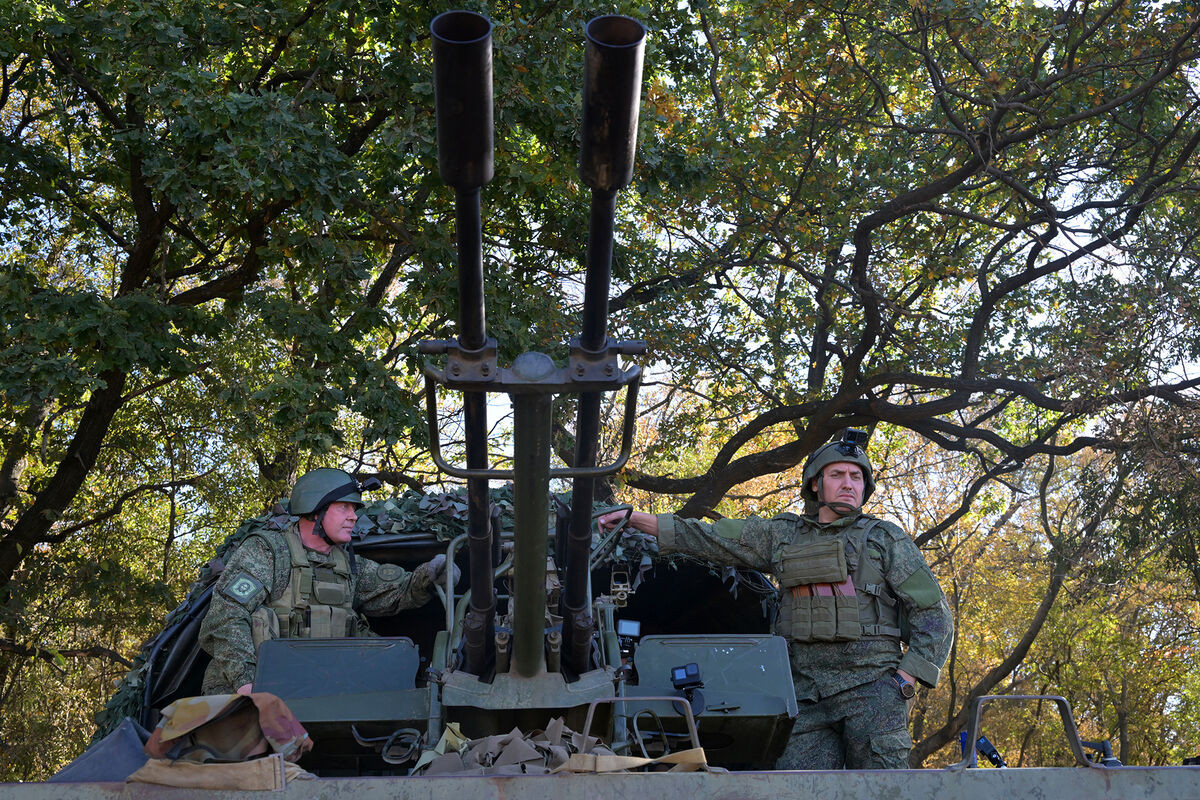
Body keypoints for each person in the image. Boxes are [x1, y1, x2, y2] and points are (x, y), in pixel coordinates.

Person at [598, 430, 953, 770]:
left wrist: (905, 680)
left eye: (857, 478)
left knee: (884, 791)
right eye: (838, 474)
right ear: (816, 483)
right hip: (802, 696)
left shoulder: (886, 539)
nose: (849, 483)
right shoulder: (782, 534)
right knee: (794, 788)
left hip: (872, 689)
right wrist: (637, 519)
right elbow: (712, 537)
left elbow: (933, 614)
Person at [199, 468, 457, 695]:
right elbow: (226, 617)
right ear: (315, 510)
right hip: (251, 697)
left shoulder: (346, 564)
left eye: (354, 509)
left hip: (322, 694)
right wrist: (247, 684)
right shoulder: (267, 552)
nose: (353, 516)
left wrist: (432, 572)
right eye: (344, 507)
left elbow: (399, 591)